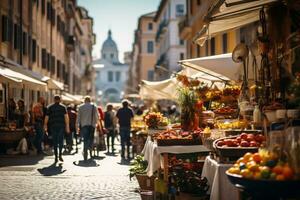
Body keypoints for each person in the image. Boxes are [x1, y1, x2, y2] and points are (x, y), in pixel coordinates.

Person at [44, 95, 70, 163]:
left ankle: (56, 156)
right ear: (60, 100)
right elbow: (66, 117)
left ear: (54, 100)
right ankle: (60, 155)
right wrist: (67, 127)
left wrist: (45, 125)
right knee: (60, 141)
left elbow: (47, 117)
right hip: (61, 126)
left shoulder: (50, 107)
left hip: (53, 126)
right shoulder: (63, 107)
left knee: (55, 141)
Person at [77, 96, 99, 161]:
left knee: (85, 139)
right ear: (90, 100)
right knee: (91, 138)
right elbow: (96, 116)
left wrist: (77, 125)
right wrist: (96, 124)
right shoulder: (94, 106)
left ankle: (85, 151)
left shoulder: (80, 107)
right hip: (92, 125)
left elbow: (78, 117)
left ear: (84, 100)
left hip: (84, 126)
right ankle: (90, 148)